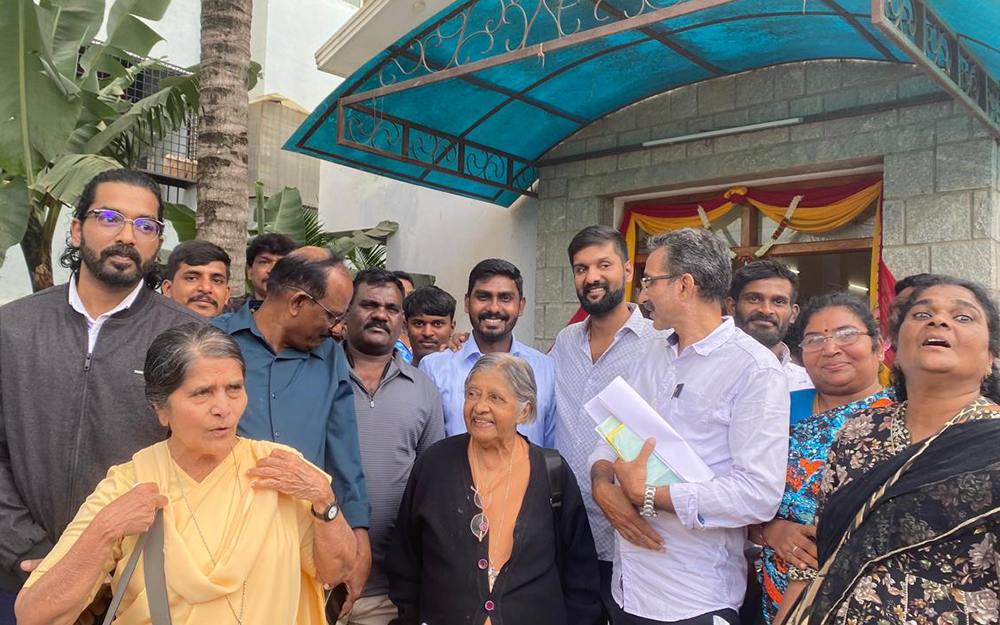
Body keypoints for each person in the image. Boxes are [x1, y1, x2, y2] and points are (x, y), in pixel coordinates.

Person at [14, 323, 356, 624]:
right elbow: (35, 615)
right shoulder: (129, 483)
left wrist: (324, 502)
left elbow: (336, 572)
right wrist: (105, 531)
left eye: (234, 388)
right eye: (202, 393)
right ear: (161, 409)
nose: (223, 408)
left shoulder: (282, 468)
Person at [0, 169, 202, 623]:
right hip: (19, 577)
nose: (127, 236)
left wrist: (106, 563)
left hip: (136, 584)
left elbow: (201, 461)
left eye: (145, 226)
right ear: (77, 230)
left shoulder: (188, 338)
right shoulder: (12, 328)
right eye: (109, 218)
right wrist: (33, 554)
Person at [591, 228, 789, 625]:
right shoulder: (650, 351)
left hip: (694, 598)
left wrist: (648, 496)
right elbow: (613, 430)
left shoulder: (753, 369)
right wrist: (601, 486)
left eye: (650, 281)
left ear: (685, 285)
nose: (643, 295)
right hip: (627, 587)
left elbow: (758, 494)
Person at [777, 275, 1000, 624]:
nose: (938, 321)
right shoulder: (858, 433)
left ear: (991, 355)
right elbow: (824, 550)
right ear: (895, 346)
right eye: (921, 314)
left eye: (963, 317)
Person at [387, 353, 601, 625]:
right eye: (472, 394)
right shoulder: (434, 465)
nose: (479, 407)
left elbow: (580, 572)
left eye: (495, 398)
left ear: (524, 410)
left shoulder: (553, 471)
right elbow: (405, 559)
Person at [213, 251, 373, 601]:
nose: (336, 328)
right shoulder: (212, 343)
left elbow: (344, 452)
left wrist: (358, 536)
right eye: (332, 315)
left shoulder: (330, 356)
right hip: (217, 544)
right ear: (298, 302)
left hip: (301, 548)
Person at [749, 293, 894, 624]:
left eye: (846, 334)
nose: (830, 349)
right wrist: (770, 530)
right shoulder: (776, 407)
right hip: (775, 590)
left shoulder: (907, 416)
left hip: (870, 594)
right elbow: (738, 488)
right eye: (815, 339)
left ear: (878, 345)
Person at [550, 225, 666, 619]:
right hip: (564, 526)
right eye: (581, 268)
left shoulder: (658, 343)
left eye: (604, 265)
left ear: (629, 271)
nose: (592, 277)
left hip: (626, 531)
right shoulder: (564, 342)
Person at [339, 270, 445, 625]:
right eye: (369, 304)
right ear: (346, 310)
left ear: (401, 319)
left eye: (391, 308)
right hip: (317, 578)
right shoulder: (315, 375)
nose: (380, 314)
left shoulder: (423, 389)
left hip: (389, 590)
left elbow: (433, 482)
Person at [421, 259, 556, 447]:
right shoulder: (434, 367)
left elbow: (551, 446)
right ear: (467, 302)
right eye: (483, 297)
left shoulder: (546, 368)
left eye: (505, 298)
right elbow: (429, 449)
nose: (494, 308)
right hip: (454, 476)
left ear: (521, 305)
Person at [727, 259, 812, 391]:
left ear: (793, 314)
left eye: (778, 301)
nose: (766, 310)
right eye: (754, 299)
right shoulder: (705, 374)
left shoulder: (807, 386)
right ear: (731, 307)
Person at [223, 233, 297, 313]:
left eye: (281, 264)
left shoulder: (303, 311)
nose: (271, 270)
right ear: (250, 271)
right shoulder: (229, 310)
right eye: (264, 262)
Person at [161, 240, 232, 317]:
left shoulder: (240, 327)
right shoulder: (147, 326)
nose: (206, 288)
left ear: (226, 294)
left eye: (217, 281)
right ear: (168, 289)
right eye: (192, 278)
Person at [403, 286, 457, 366]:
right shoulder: (391, 375)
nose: (427, 333)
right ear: (406, 327)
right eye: (419, 324)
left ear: (452, 328)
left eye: (437, 324)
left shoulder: (470, 373)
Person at [391, 271, 417, 363]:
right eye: (400, 294)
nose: (406, 299)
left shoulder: (423, 332)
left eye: (410, 294)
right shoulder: (382, 336)